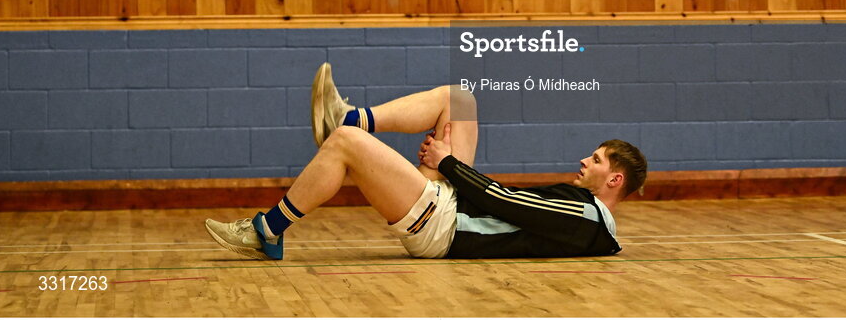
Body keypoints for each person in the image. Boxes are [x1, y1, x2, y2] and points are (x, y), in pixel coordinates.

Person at [205, 63, 647, 260]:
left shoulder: (586, 216)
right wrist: (446, 164)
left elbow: (504, 202)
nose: (584, 160)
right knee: (460, 99)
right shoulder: (590, 223)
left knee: (343, 144)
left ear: (615, 179)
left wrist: (446, 162)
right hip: (454, 211)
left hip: (444, 228)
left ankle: (265, 232)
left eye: (596, 160)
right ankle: (350, 115)